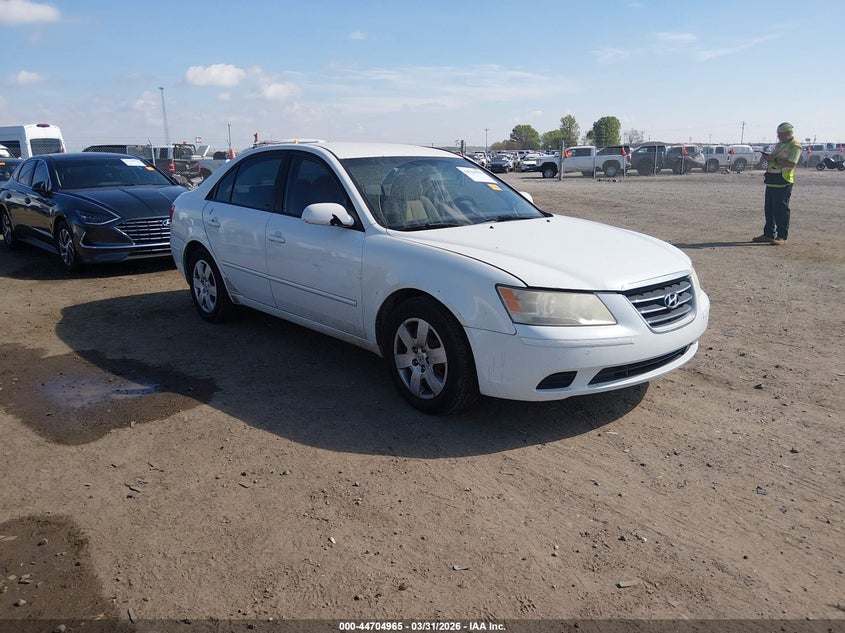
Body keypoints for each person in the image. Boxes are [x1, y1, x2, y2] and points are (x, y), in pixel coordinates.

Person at [752, 122, 802, 246]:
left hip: (783, 181)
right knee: (769, 210)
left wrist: (773, 159)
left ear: (789, 133)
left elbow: (791, 164)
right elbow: (775, 157)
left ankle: (782, 236)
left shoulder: (795, 146)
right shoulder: (780, 144)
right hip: (772, 180)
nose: (778, 136)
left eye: (781, 134)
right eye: (778, 134)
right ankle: (768, 234)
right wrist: (769, 157)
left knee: (781, 210)